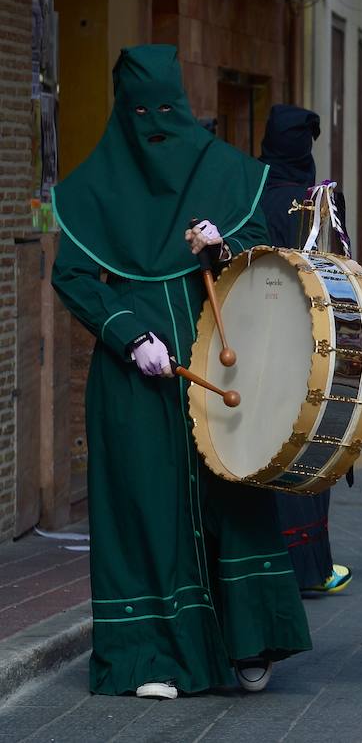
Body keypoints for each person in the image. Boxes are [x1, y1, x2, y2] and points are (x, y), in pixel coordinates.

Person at [50, 45, 311, 699]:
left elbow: (263, 252)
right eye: (145, 113)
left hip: (217, 350)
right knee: (147, 504)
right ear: (124, 113)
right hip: (135, 379)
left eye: (169, 110)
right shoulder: (92, 187)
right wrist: (127, 333)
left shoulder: (225, 173)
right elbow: (74, 275)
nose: (157, 126)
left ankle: (250, 640)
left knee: (233, 491)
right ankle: (150, 656)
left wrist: (225, 244)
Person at [257, 104, 354, 597]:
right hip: (309, 346)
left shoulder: (247, 194)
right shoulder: (320, 202)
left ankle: (262, 563)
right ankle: (311, 565)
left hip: (254, 345)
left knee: (263, 447)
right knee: (307, 447)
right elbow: (340, 272)